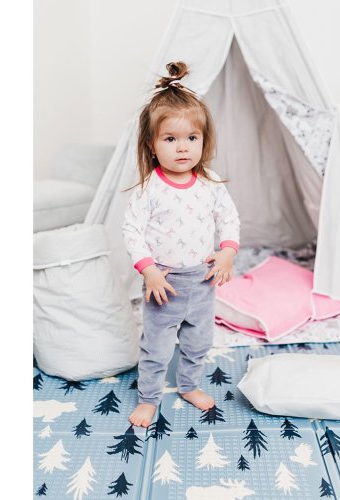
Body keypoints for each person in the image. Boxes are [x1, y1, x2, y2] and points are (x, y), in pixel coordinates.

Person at [122, 61, 240, 428]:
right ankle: (148, 398)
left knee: (198, 342)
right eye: (170, 139)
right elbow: (132, 231)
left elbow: (229, 219)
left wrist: (227, 252)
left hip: (202, 281)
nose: (183, 148)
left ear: (204, 141)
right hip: (165, 282)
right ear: (152, 145)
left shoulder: (210, 182)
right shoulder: (150, 188)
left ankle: (189, 386)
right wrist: (150, 272)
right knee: (156, 347)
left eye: (192, 138)